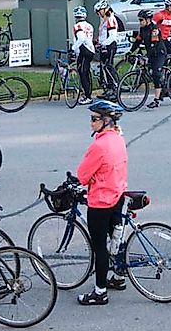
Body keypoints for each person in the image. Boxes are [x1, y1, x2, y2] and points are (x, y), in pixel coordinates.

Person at [76, 100, 128, 305]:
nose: (91, 124)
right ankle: (119, 277)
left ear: (106, 121)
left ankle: (100, 291)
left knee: (99, 247)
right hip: (118, 194)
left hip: (101, 201)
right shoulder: (118, 139)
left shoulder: (99, 145)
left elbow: (82, 175)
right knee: (116, 239)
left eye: (94, 119)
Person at [94, 0, 120, 99]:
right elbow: (103, 35)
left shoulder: (111, 19)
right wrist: (97, 42)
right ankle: (109, 89)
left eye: (99, 11)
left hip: (110, 46)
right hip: (104, 46)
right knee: (104, 67)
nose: (98, 14)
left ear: (104, 9)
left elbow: (112, 36)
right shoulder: (105, 20)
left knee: (108, 67)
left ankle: (115, 87)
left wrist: (103, 44)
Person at [71, 6, 95, 105]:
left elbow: (81, 38)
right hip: (90, 50)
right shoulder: (89, 25)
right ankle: (87, 93)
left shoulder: (77, 26)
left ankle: (88, 96)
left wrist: (72, 48)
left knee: (82, 73)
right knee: (85, 71)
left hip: (84, 51)